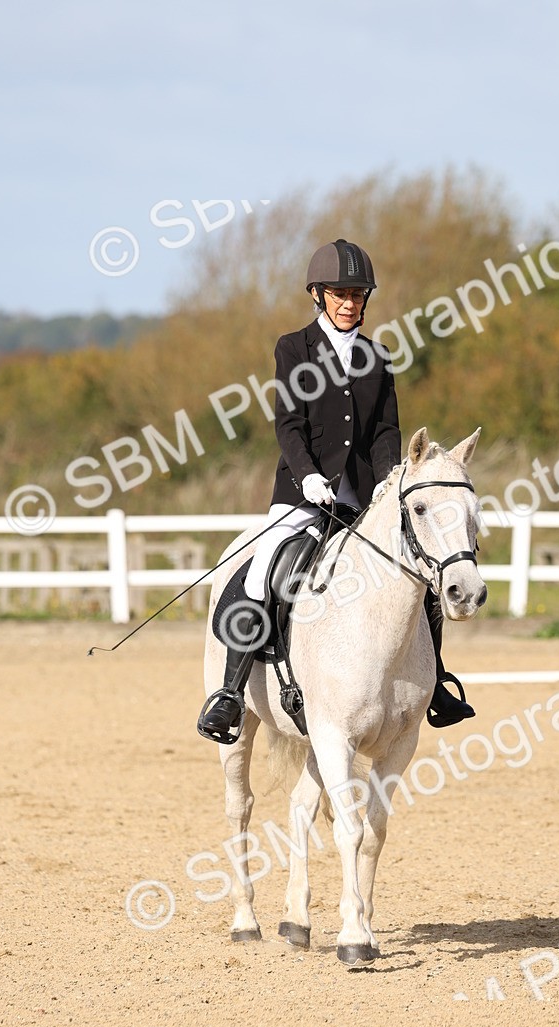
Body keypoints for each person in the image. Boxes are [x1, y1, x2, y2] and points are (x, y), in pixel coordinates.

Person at [197, 238, 475, 742]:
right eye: (339, 293)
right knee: (262, 574)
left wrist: (390, 483)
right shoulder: (293, 348)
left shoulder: (377, 356)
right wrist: (307, 476)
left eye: (357, 294)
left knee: (423, 585)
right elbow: (289, 423)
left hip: (364, 500)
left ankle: (433, 688)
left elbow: (387, 432)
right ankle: (231, 693)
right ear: (318, 295)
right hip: (303, 494)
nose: (349, 303)